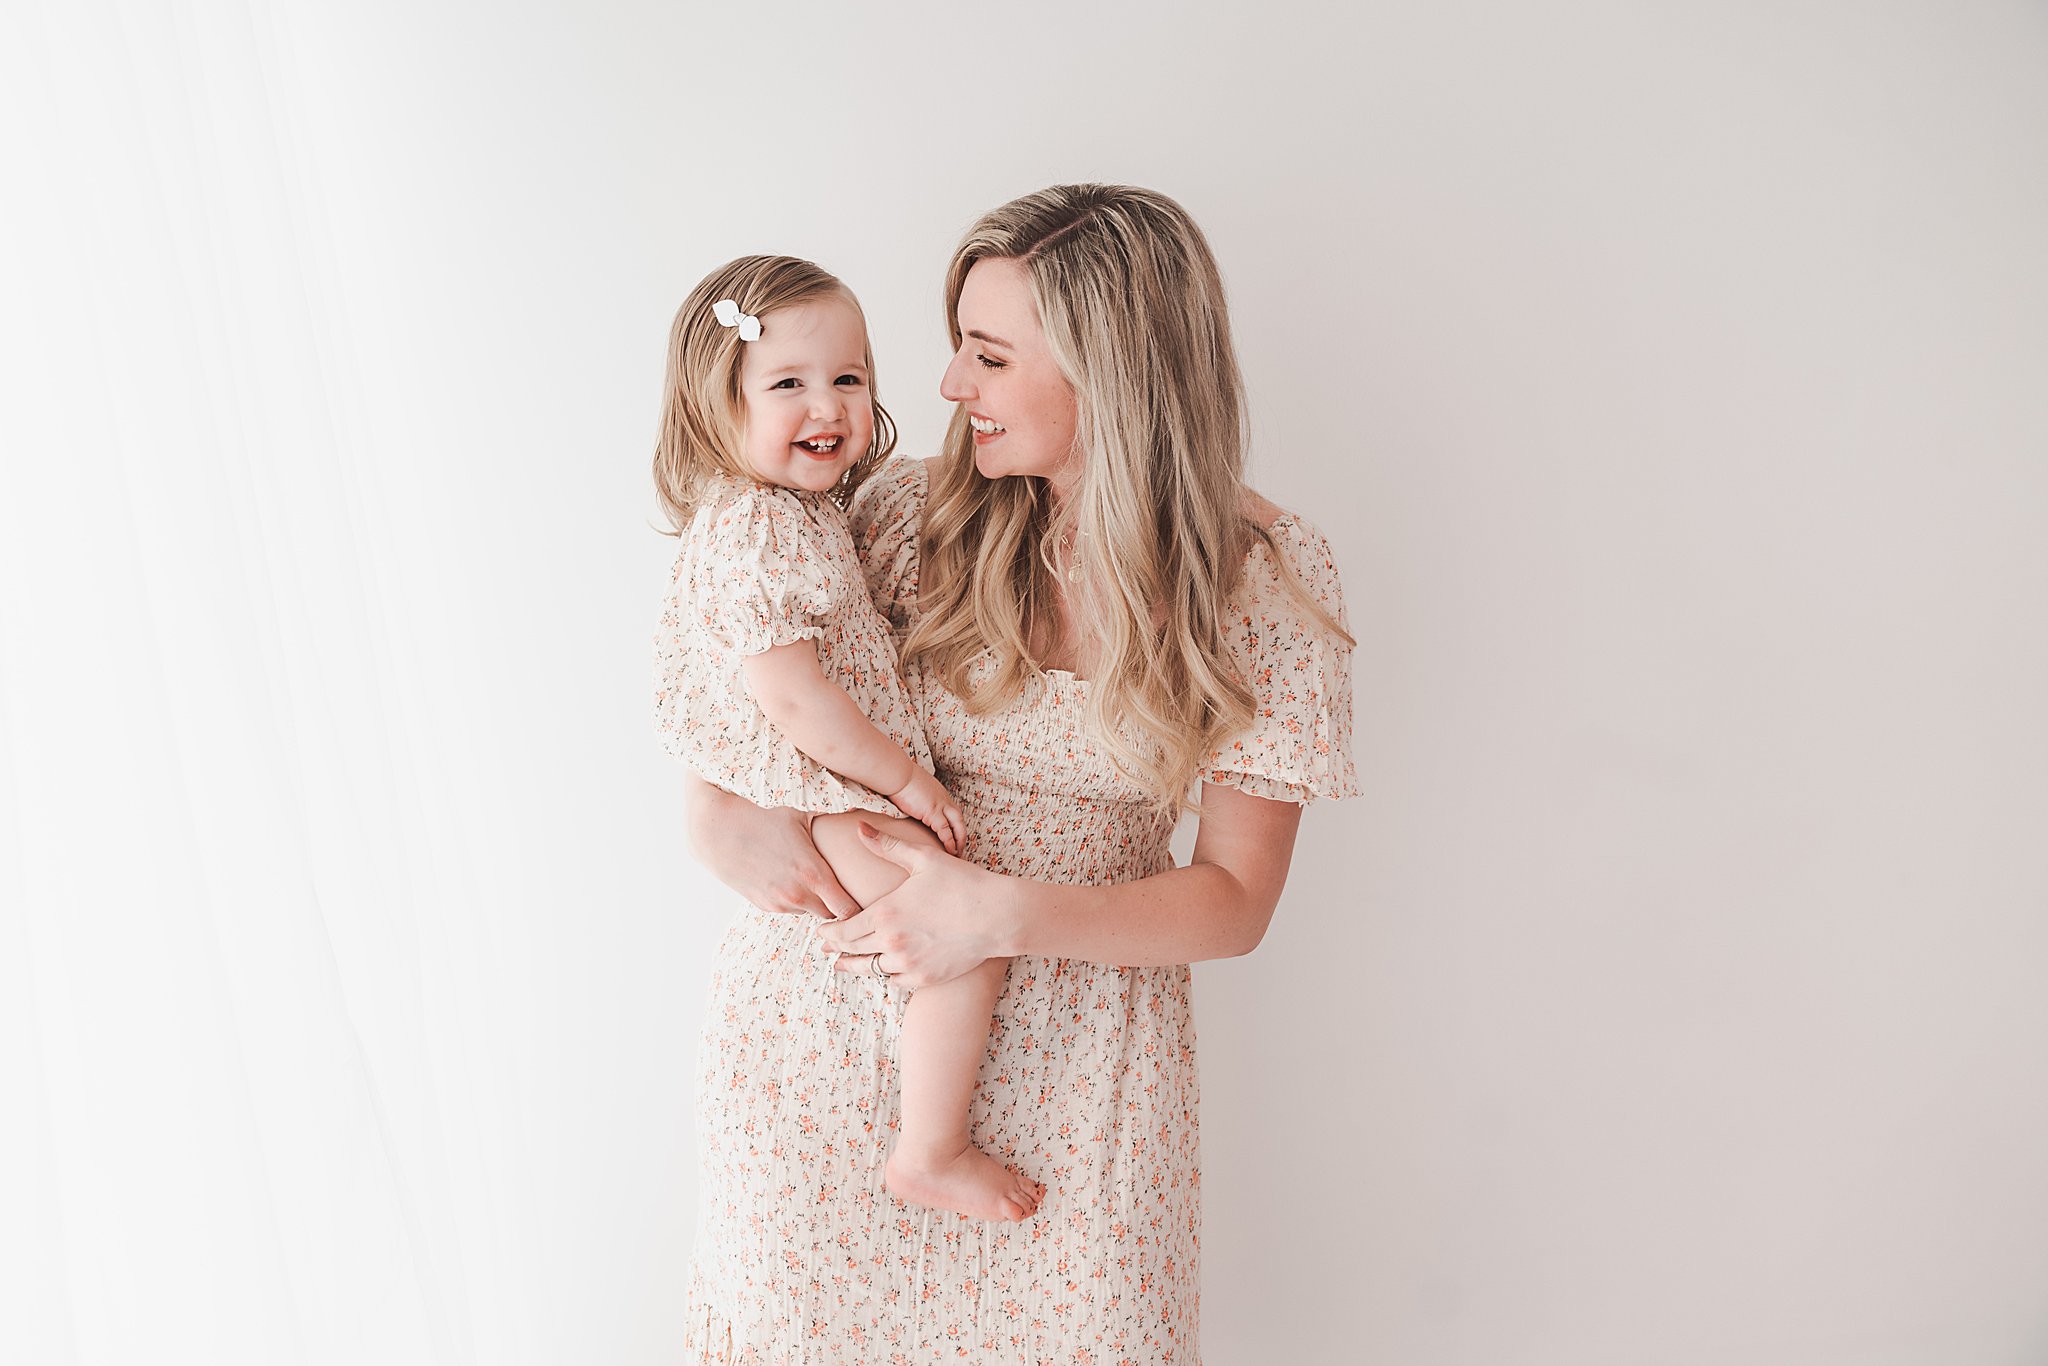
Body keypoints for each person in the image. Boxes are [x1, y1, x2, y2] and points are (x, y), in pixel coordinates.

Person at [668, 186, 1358, 1364]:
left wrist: (997, 912)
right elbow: (738, 663)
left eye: (986, 356)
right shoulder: (896, 517)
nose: (944, 387)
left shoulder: (1260, 578)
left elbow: (1235, 898)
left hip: (1082, 1087)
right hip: (828, 1054)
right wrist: (707, 815)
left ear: (1113, 373)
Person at [651, 254, 1047, 1223]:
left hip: (823, 797)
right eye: (786, 383)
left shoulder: (808, 514)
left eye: (848, 378)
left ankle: (926, 1140)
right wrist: (906, 779)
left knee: (956, 931)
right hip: (825, 800)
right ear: (715, 406)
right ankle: (930, 1149)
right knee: (967, 940)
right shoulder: (761, 528)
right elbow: (794, 700)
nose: (825, 405)